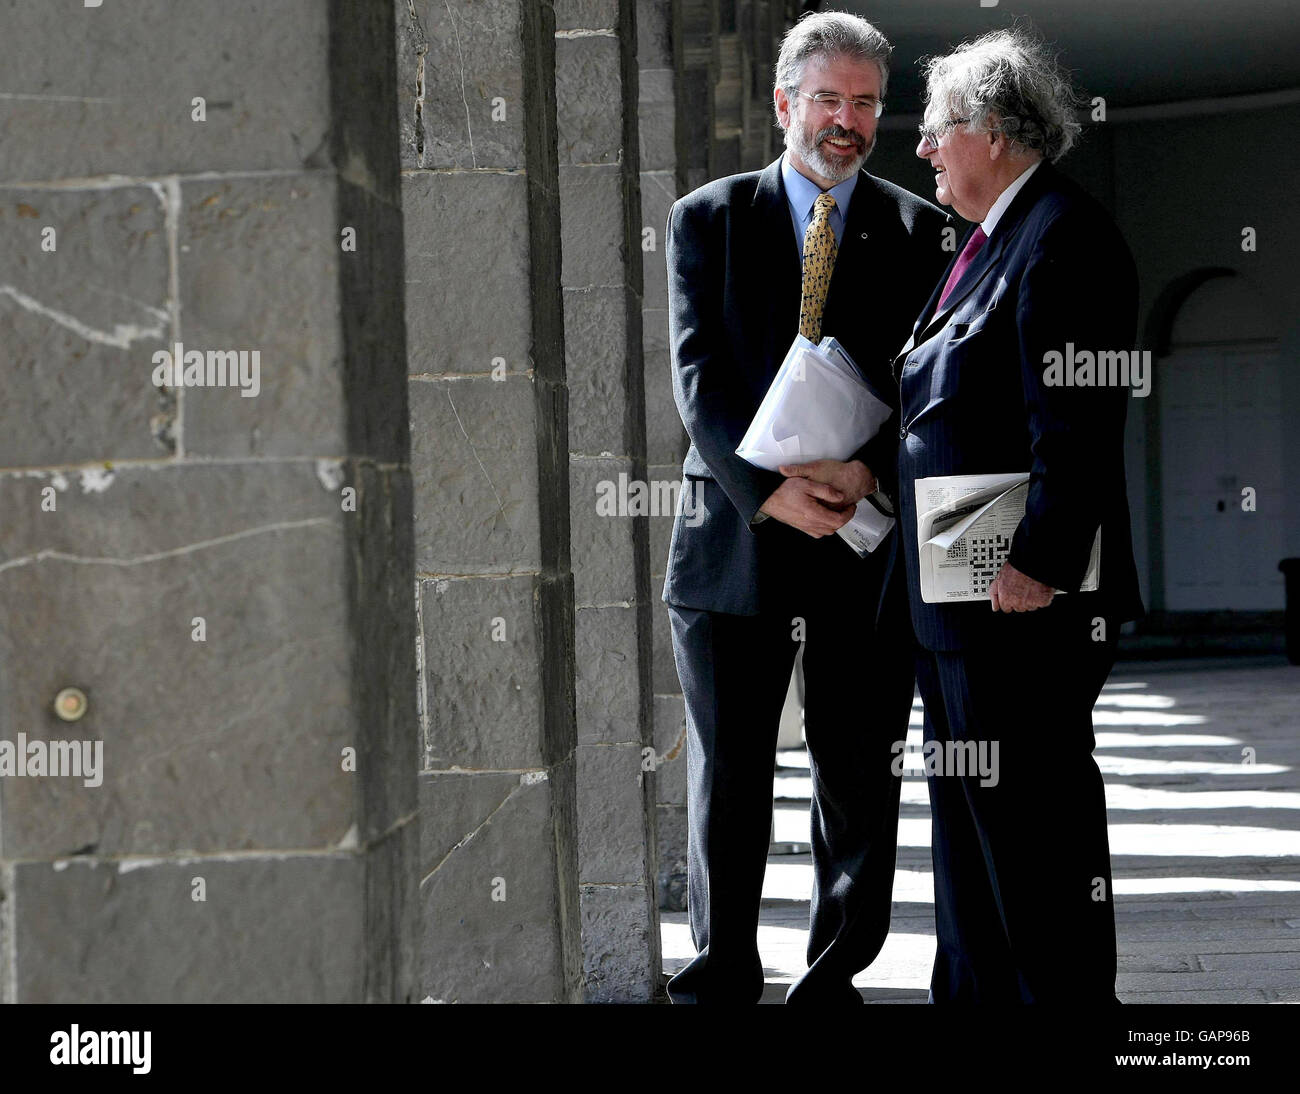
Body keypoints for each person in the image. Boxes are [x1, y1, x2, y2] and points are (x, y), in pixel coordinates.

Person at [661, 10, 952, 1004]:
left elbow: (925, 384)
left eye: (865, 102)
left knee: (859, 775)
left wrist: (868, 470)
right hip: (735, 538)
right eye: (827, 98)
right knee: (730, 773)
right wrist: (768, 491)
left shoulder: (920, 229)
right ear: (785, 102)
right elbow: (698, 379)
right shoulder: (706, 216)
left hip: (859, 544)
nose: (846, 119)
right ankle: (719, 972)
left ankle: (833, 977)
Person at [892, 28, 1145, 1002]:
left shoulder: (1062, 236)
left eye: (938, 130)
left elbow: (1073, 420)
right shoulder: (992, 243)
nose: (921, 149)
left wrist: (1035, 561)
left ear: (995, 132)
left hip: (1018, 606)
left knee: (1034, 851)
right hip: (959, 605)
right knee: (973, 858)